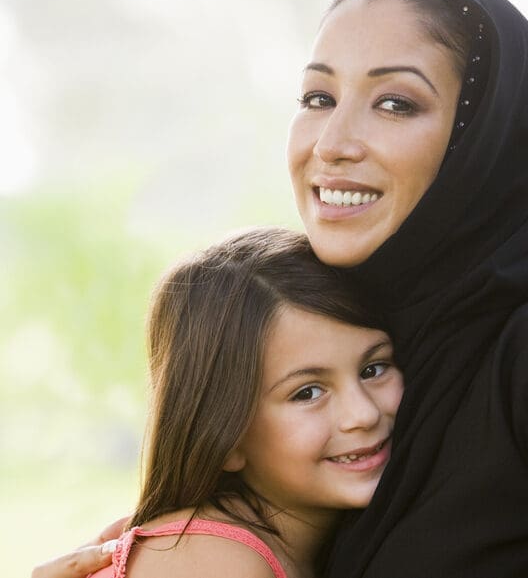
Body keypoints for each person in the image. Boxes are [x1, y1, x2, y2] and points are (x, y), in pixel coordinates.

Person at [35, 0, 528, 578]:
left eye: (395, 104)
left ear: (488, 138)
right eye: (319, 96)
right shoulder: (366, 345)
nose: (333, 142)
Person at [34, 226, 403, 578]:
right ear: (226, 438)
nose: (364, 413)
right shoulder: (216, 561)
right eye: (306, 392)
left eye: (373, 368)